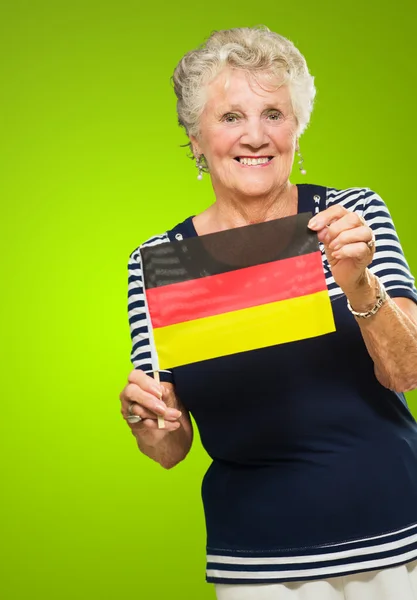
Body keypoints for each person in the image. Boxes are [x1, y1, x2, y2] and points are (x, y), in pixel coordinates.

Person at [120, 27, 417, 599]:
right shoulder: (160, 264)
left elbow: (406, 372)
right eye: (230, 116)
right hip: (257, 563)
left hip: (395, 541)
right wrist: (147, 420)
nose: (254, 136)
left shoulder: (349, 217)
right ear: (195, 137)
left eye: (273, 113)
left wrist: (359, 284)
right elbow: (169, 447)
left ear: (297, 128)